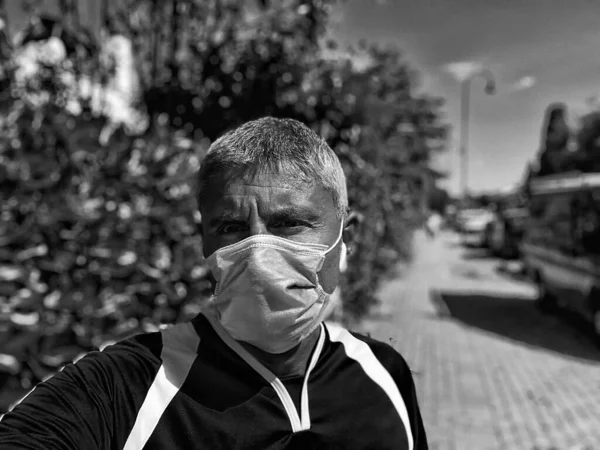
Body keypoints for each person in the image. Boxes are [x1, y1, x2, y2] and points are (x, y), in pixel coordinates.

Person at [0, 117, 428, 449]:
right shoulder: (127, 387)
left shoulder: (384, 373)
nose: (259, 256)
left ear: (343, 238)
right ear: (203, 241)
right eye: (230, 227)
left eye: (290, 224)